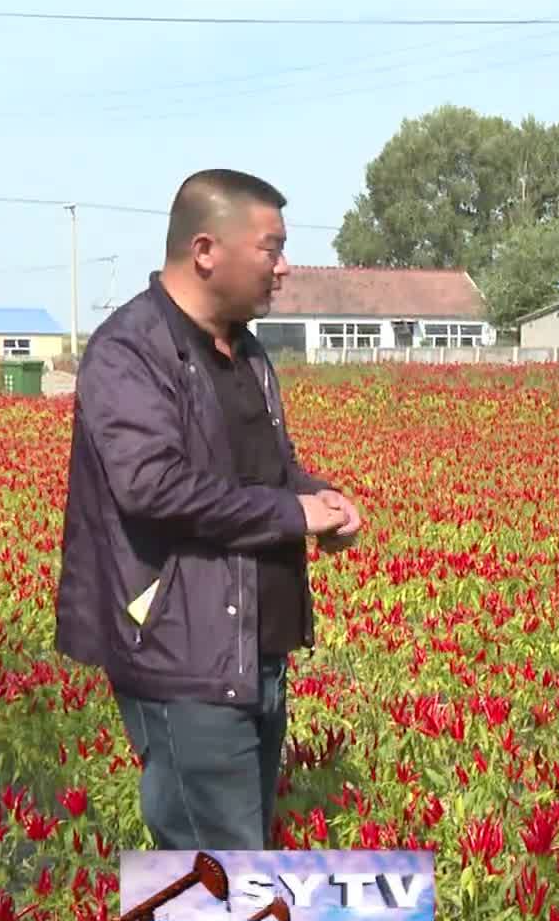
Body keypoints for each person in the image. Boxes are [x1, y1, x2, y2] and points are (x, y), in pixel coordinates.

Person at [54, 169, 362, 851]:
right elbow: (153, 487)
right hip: (182, 651)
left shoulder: (244, 350)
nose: (284, 267)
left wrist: (320, 497)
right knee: (215, 875)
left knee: (236, 863)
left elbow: (264, 471)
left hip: (253, 648)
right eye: (271, 247)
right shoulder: (130, 352)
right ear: (205, 251)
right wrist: (292, 514)